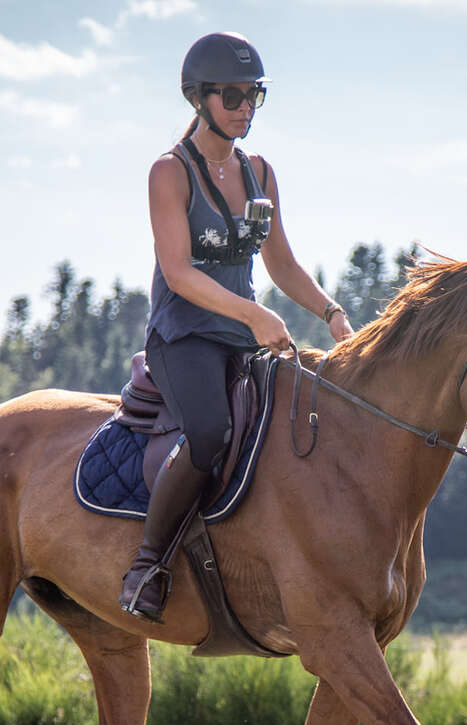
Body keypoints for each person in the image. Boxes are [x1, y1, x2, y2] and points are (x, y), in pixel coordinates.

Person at [119, 31, 353, 622]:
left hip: (243, 338)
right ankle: (147, 565)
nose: (246, 109)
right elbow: (177, 272)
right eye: (233, 97)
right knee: (209, 434)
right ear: (199, 99)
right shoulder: (168, 172)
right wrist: (254, 313)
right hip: (184, 338)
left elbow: (282, 264)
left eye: (255, 96)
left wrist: (331, 312)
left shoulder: (261, 173)